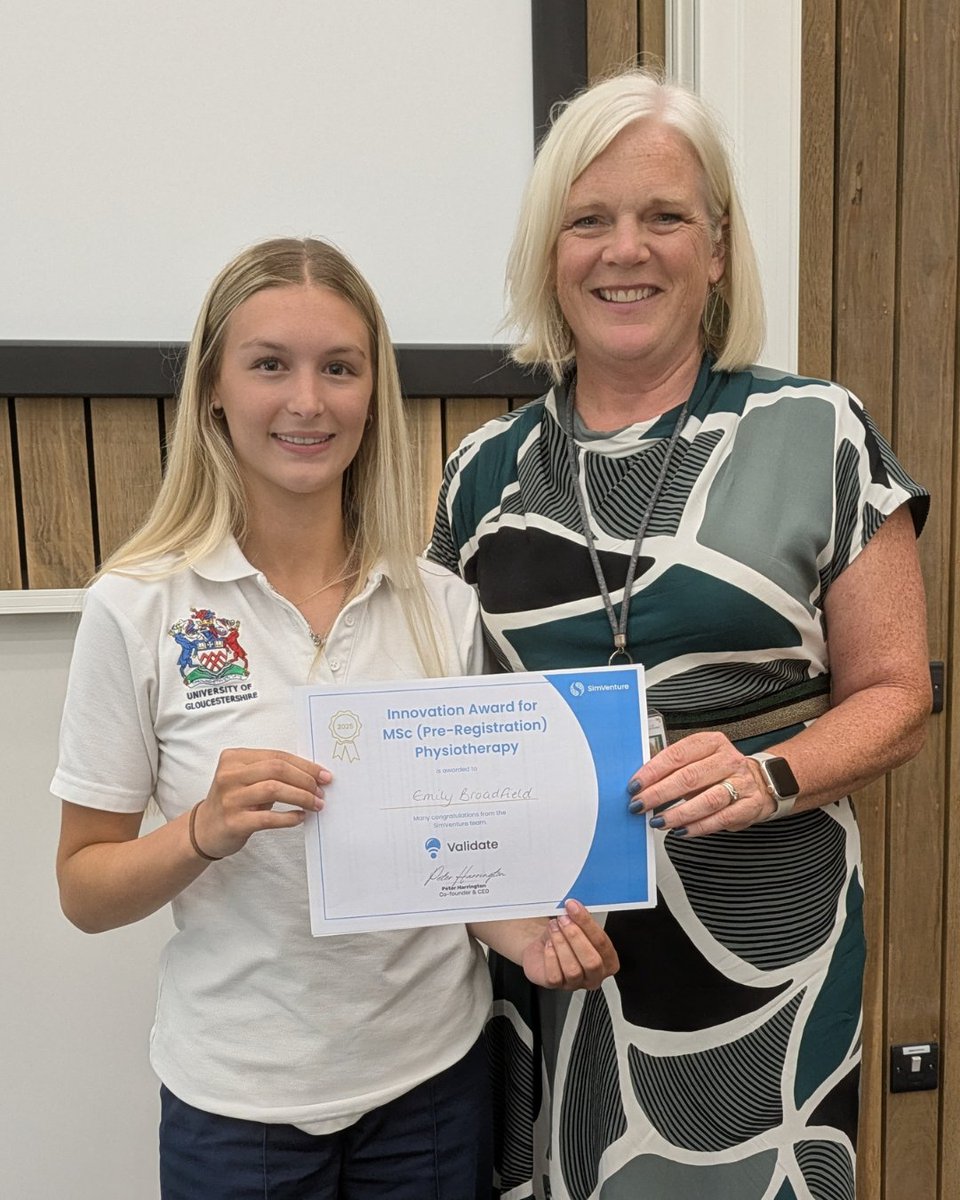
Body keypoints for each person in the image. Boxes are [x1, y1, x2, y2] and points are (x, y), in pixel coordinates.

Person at [428, 70, 931, 1200]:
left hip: (766, 956)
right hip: (554, 952)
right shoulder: (482, 473)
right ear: (548, 255)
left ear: (716, 248)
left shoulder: (818, 430)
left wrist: (772, 770)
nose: (626, 250)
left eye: (664, 216)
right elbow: (440, 716)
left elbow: (899, 692)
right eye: (589, 220)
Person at [52, 237, 618, 1200]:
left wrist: (533, 940)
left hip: (432, 1089)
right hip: (236, 1109)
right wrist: (200, 833)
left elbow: (452, 861)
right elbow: (84, 889)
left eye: (339, 368)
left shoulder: (438, 604)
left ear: (372, 392)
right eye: (270, 364)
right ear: (215, 390)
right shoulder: (138, 607)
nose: (307, 402)